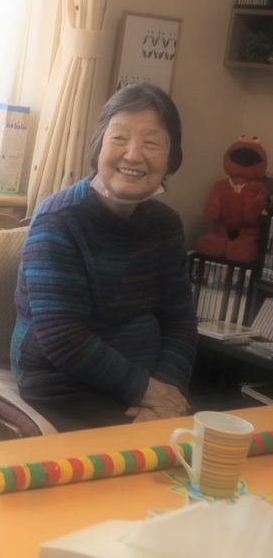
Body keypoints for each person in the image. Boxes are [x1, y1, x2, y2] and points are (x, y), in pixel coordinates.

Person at [11, 84, 196, 431]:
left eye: (152, 143)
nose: (133, 155)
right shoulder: (59, 220)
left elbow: (180, 322)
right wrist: (148, 392)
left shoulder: (166, 224)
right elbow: (63, 338)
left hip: (146, 389)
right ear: (99, 146)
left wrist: (167, 390)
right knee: (150, 452)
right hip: (64, 386)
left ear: (172, 157)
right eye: (119, 138)